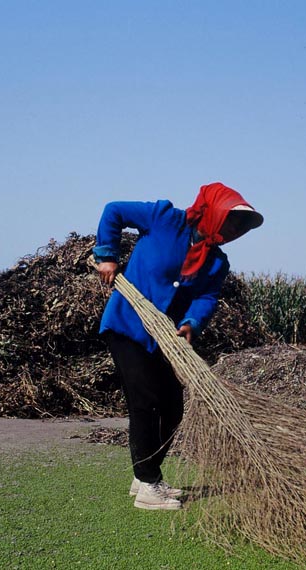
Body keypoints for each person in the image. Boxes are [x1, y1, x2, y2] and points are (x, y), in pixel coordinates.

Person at [93, 182, 263, 509]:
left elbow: (206, 297)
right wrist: (107, 257)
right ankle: (148, 487)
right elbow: (113, 210)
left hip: (165, 340)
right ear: (214, 211)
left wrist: (191, 323)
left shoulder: (216, 263)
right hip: (128, 326)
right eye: (232, 221)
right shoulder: (164, 217)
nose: (234, 231)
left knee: (172, 408)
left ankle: (145, 473)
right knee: (144, 400)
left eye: (240, 228)